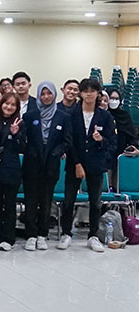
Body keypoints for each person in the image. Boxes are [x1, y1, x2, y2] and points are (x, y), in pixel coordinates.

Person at [59, 77, 117, 252]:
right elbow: (69, 141)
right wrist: (77, 163)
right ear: (81, 94)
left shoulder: (105, 116)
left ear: (98, 93)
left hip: (96, 165)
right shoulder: (71, 114)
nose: (89, 94)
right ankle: (66, 233)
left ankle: (93, 235)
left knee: (96, 203)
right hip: (74, 163)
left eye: (92, 91)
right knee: (68, 201)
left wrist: (101, 140)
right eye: (85, 91)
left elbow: (112, 143)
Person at [21, 81, 71, 251]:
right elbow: (24, 139)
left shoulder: (63, 117)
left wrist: (56, 152)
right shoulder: (30, 116)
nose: (46, 97)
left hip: (51, 165)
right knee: (30, 201)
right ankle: (30, 235)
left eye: (49, 93)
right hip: (32, 165)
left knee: (46, 201)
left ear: (55, 94)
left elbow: (67, 141)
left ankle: (42, 234)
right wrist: (31, 151)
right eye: (42, 94)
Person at [0, 93, 26, 251]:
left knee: (10, 205)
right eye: (6, 103)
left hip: (11, 170)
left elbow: (23, 147)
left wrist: (16, 134)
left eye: (12, 105)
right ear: (1, 104)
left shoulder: (20, 123)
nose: (9, 107)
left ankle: (9, 238)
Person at [107, 86, 138, 188]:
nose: (114, 101)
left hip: (120, 157)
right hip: (106, 157)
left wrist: (133, 148)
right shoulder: (103, 115)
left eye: (116, 99)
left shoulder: (124, 116)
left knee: (118, 185)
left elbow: (132, 136)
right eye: (111, 98)